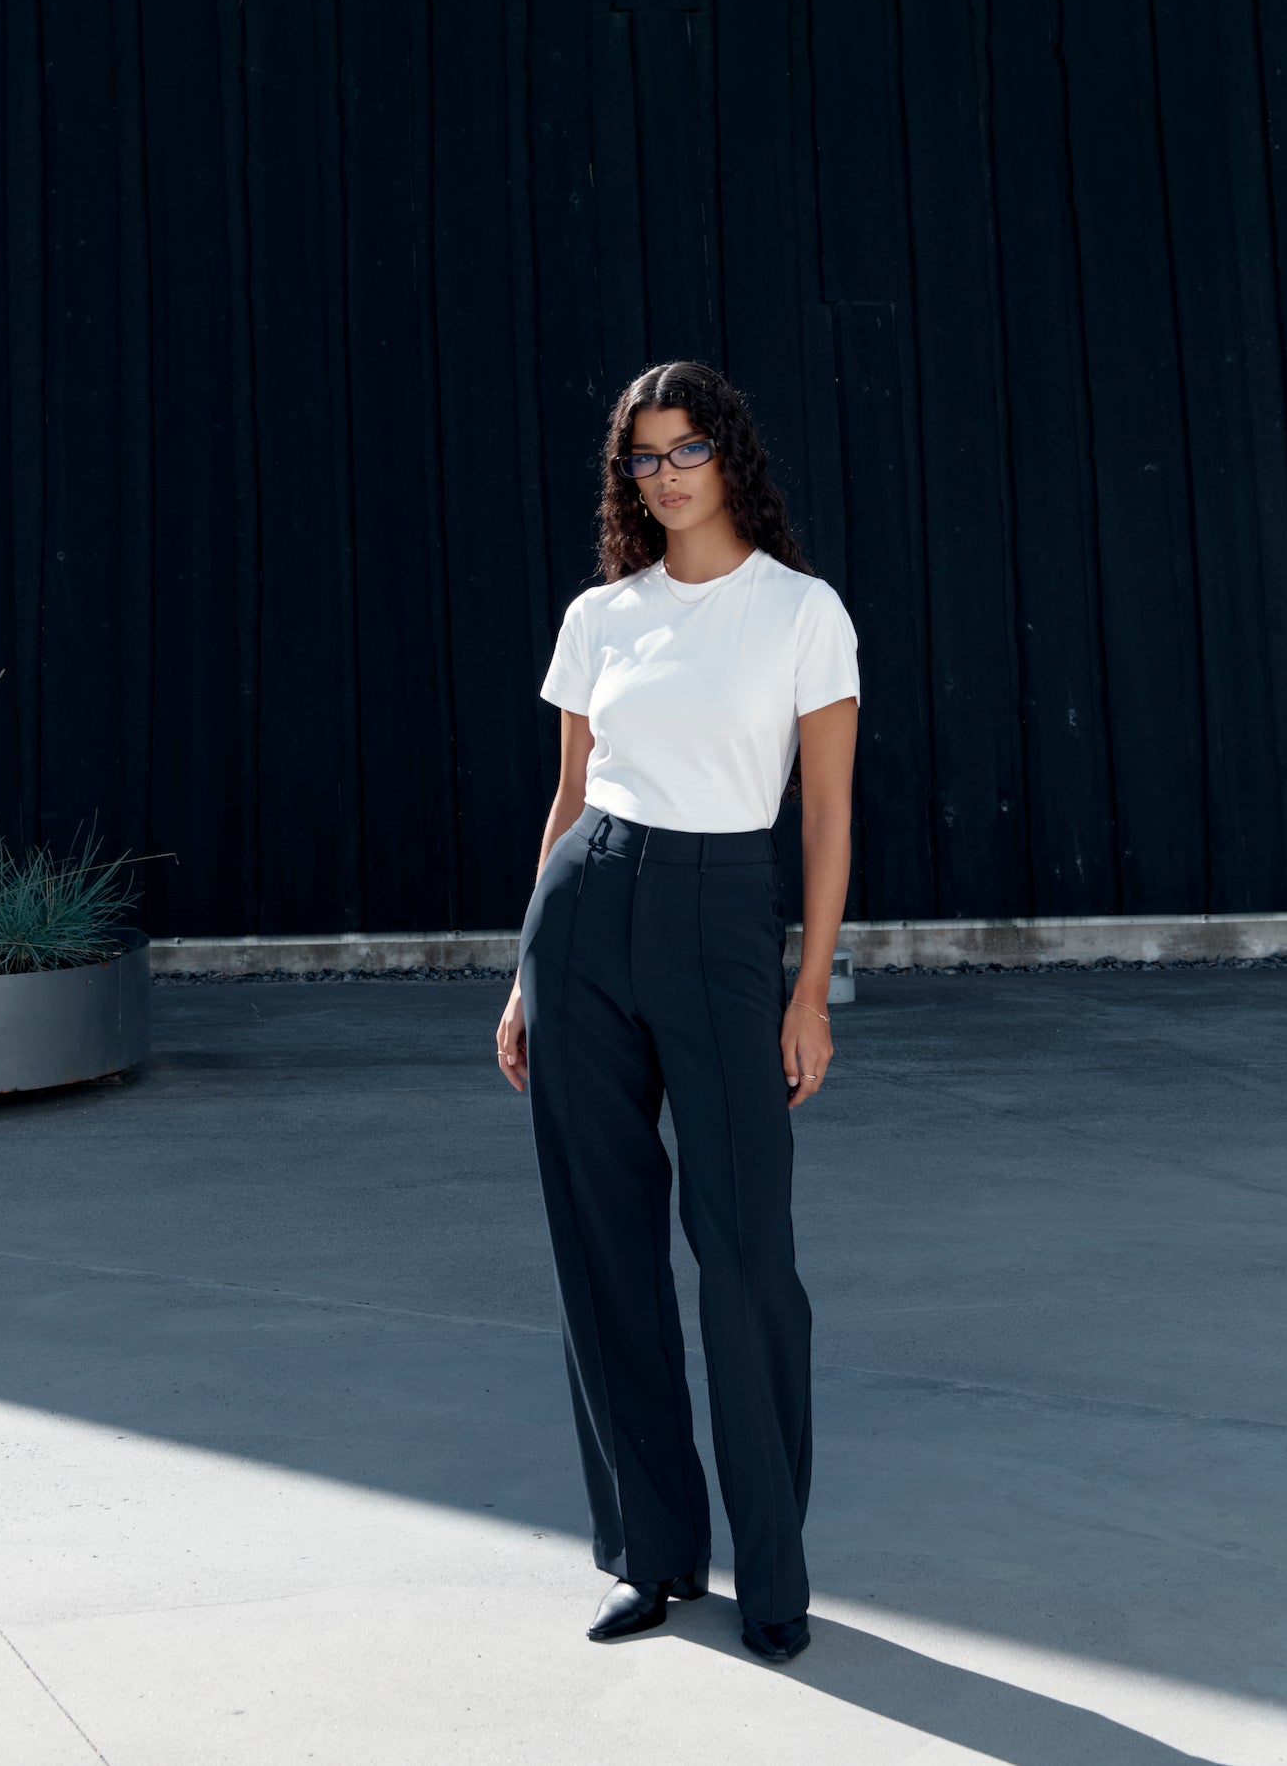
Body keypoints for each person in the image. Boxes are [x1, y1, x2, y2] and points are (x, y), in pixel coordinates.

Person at [495, 360, 861, 1665]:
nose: (663, 476)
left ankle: (773, 1570)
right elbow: (570, 795)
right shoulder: (603, 615)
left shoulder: (801, 614)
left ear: (729, 455)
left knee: (747, 1255)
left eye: (684, 449)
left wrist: (809, 987)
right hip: (586, 912)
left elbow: (824, 813)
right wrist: (523, 971)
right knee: (603, 1248)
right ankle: (650, 1555)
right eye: (641, 459)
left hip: (721, 923)